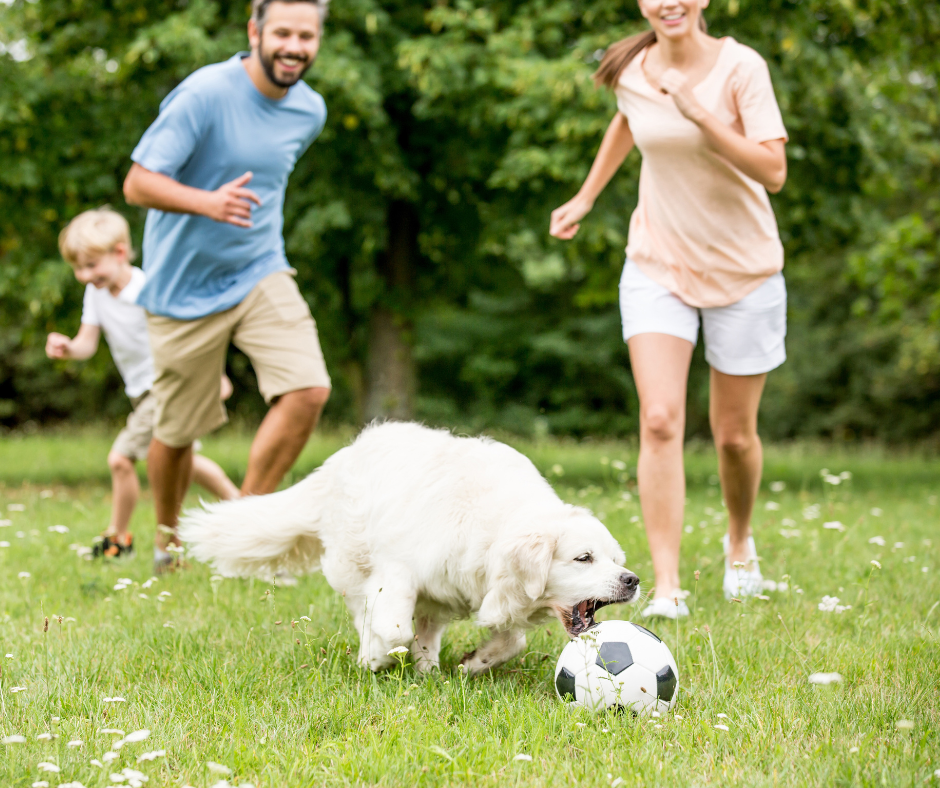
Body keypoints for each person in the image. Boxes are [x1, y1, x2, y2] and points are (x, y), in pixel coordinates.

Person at [549, 0, 788, 618]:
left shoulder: (741, 68)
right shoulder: (633, 68)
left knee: (734, 436)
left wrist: (699, 112)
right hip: (658, 263)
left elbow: (774, 168)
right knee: (658, 419)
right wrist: (585, 196)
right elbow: (627, 122)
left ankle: (740, 543)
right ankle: (667, 587)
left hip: (745, 270)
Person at [122, 0, 332, 571]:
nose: (294, 46)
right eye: (283, 32)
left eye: (306, 35)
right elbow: (137, 183)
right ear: (255, 31)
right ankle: (168, 542)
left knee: (308, 390)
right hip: (181, 287)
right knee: (176, 432)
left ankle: (242, 527)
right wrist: (207, 202)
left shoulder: (310, 110)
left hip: (260, 268)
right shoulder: (205, 94)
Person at [47, 208, 240, 559]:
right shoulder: (97, 294)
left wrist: (214, 377)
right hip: (140, 393)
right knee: (183, 459)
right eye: (77, 268)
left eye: (91, 265)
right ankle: (245, 510)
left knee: (121, 459)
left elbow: (187, 336)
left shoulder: (148, 289)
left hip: (166, 385)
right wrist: (68, 348)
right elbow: (87, 343)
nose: (84, 275)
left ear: (120, 253)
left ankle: (118, 540)